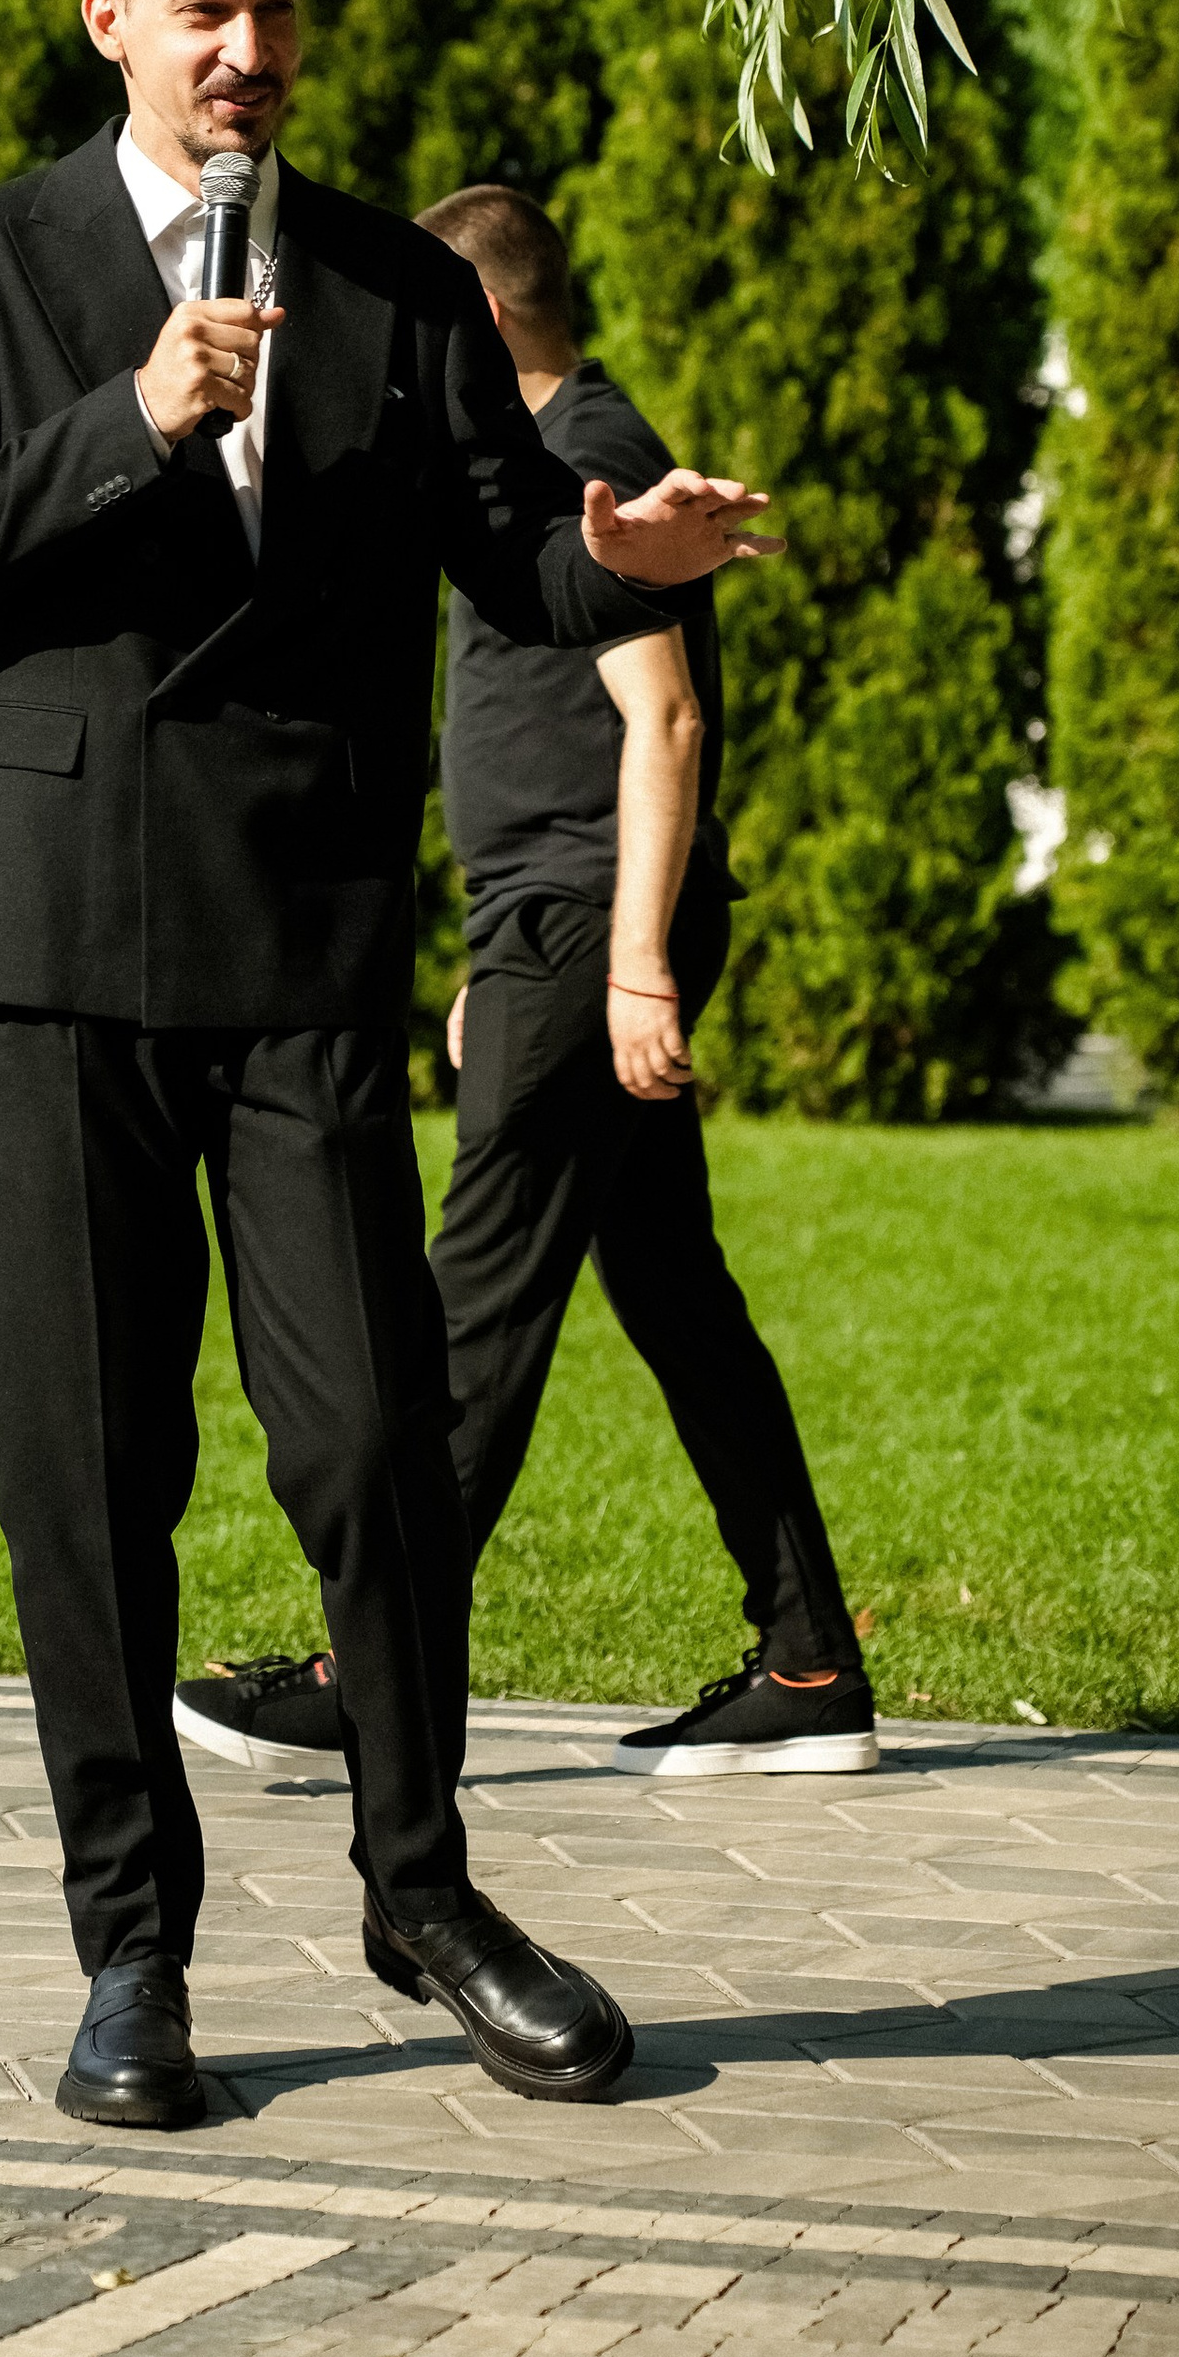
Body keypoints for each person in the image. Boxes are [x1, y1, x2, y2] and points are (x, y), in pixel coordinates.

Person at [0, 0, 781, 2134]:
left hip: (301, 947)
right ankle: (128, 1959)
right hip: (57, 942)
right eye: (201, 11)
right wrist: (127, 422)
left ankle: (420, 1889)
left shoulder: (391, 286)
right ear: (111, 24)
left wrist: (614, 558)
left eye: (271, 8)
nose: (247, 51)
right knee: (88, 1466)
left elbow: (504, 559)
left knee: (372, 1439)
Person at [174, 183, 872, 1792]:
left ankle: (373, 1677)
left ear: (480, 323)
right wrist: (523, 954)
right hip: (553, 932)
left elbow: (666, 718)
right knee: (677, 1300)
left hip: (586, 932)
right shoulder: (548, 449)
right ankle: (809, 1660)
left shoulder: (580, 452)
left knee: (465, 1313)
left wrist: (622, 965)